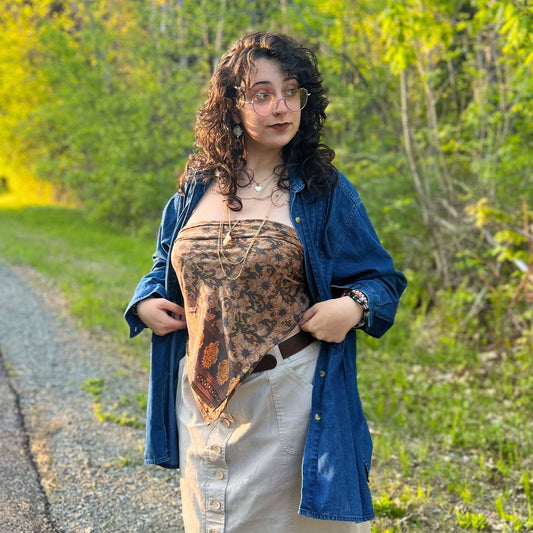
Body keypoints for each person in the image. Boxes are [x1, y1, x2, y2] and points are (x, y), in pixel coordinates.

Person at [125, 31, 407, 533]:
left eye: (291, 91)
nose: (281, 106)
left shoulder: (323, 193)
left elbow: (381, 279)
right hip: (202, 399)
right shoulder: (196, 185)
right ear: (232, 106)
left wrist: (354, 307)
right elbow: (164, 263)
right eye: (261, 93)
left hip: (288, 402)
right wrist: (146, 299)